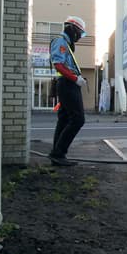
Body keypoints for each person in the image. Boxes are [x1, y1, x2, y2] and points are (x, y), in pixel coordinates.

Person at [48, 16, 87, 166]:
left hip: (67, 83)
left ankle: (57, 154)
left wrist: (77, 78)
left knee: (64, 119)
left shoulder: (65, 43)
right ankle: (58, 153)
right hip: (67, 84)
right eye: (80, 33)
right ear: (73, 30)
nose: (80, 37)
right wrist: (75, 79)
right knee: (78, 119)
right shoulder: (61, 42)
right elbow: (58, 64)